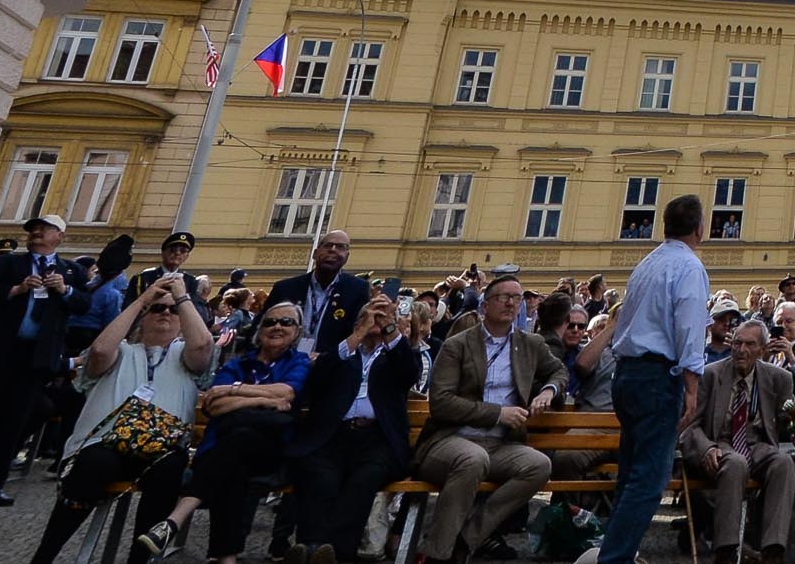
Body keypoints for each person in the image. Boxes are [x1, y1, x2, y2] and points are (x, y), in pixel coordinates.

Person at [26, 273, 213, 564]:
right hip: (104, 444)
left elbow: (202, 346)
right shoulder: (122, 351)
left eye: (173, 310)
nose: (166, 312)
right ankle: (44, 556)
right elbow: (99, 352)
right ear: (144, 317)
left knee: (169, 467)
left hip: (160, 449)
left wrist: (182, 297)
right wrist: (142, 299)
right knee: (96, 463)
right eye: (157, 308)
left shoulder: (184, 356)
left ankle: (139, 560)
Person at [413, 270, 566, 564]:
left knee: (539, 465)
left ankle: (467, 539)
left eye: (517, 298)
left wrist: (548, 391)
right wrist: (497, 414)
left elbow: (559, 370)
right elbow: (441, 403)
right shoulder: (458, 344)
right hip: (451, 440)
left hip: (500, 446)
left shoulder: (529, 344)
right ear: (485, 305)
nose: (511, 303)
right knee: (473, 459)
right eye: (504, 297)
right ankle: (437, 555)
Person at [142, 296, 310, 561]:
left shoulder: (298, 361)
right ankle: (226, 559)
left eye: (286, 322)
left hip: (270, 455)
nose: (277, 327)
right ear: (259, 329)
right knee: (234, 463)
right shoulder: (237, 364)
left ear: (297, 332)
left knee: (236, 442)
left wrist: (235, 392)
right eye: (270, 322)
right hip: (227, 451)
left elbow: (287, 393)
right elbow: (215, 405)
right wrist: (265, 399)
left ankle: (178, 517)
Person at [596, 193, 713, 564]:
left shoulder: (647, 263)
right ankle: (614, 558)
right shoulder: (690, 268)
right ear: (699, 228)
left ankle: (617, 553)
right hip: (657, 377)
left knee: (630, 474)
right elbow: (689, 331)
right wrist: (692, 389)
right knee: (648, 482)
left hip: (626, 373)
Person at [0, 211, 89, 503]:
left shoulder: (70, 272)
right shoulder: (5, 263)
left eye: (44, 229)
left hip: (32, 360)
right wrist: (16, 289)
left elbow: (83, 305)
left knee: (11, 427)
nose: (37, 233)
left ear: (60, 237)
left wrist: (64, 291)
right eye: (34, 229)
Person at [286, 289, 418, 564]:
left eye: (381, 318)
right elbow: (318, 378)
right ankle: (312, 548)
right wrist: (357, 335)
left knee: (363, 480)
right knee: (320, 476)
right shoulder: (343, 352)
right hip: (331, 436)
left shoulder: (394, 353)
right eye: (371, 317)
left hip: (377, 440)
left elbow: (409, 373)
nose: (376, 323)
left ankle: (330, 552)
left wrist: (390, 328)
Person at [682, 319, 795, 564]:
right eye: (737, 343)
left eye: (749, 345)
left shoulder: (779, 378)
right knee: (735, 464)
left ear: (762, 350)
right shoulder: (711, 375)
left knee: (784, 464)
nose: (741, 350)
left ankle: (773, 551)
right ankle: (726, 551)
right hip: (721, 442)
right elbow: (690, 425)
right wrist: (706, 449)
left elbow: (794, 414)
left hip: (758, 444)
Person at [266, 230, 371, 357]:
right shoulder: (285, 288)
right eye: (327, 245)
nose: (333, 250)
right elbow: (262, 328)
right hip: (283, 363)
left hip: (330, 367)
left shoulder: (357, 289)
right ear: (315, 253)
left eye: (340, 247)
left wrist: (323, 357)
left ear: (347, 257)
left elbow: (357, 333)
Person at [131, 232, 199, 302]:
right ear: (163, 252)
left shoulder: (191, 282)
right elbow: (129, 308)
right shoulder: (143, 278)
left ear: (186, 257)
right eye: (173, 249)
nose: (177, 253)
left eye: (183, 251)